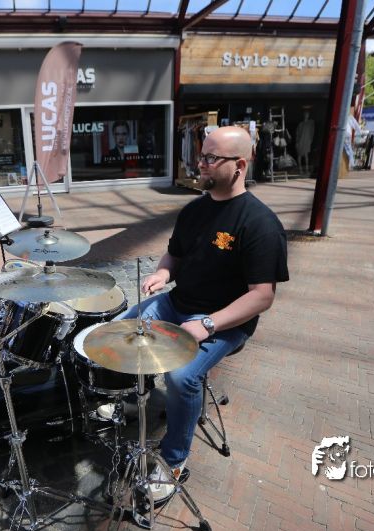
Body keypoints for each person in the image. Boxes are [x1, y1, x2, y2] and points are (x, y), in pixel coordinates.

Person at [109, 126, 289, 506]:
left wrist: (208, 323)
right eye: (200, 155)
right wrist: (163, 273)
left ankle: (174, 461)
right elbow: (173, 254)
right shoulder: (194, 210)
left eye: (210, 158)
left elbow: (262, 296)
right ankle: (135, 395)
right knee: (121, 331)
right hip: (178, 303)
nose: (200, 164)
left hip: (225, 322)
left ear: (239, 166)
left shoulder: (260, 224)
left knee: (181, 376)